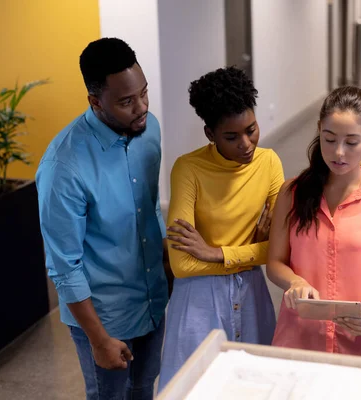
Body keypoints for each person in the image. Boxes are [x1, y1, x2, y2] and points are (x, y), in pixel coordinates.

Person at [36, 38, 168, 399]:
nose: (141, 107)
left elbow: (150, 206)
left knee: (144, 389)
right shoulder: (64, 166)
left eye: (144, 93)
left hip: (152, 300)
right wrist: (99, 339)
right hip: (105, 318)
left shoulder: (148, 129)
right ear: (95, 102)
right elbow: (64, 266)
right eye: (126, 101)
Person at [158, 66, 284, 390]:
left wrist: (215, 253)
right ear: (210, 134)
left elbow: (283, 248)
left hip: (252, 293)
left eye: (251, 129)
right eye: (232, 136)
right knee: (197, 389)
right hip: (198, 301)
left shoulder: (269, 163)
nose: (246, 144)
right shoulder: (188, 169)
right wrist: (254, 249)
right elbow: (182, 265)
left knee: (254, 388)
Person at [267, 86, 361, 359]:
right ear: (319, 129)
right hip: (298, 340)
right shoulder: (291, 194)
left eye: (351, 142)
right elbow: (275, 263)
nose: (339, 152)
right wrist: (295, 282)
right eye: (329, 139)